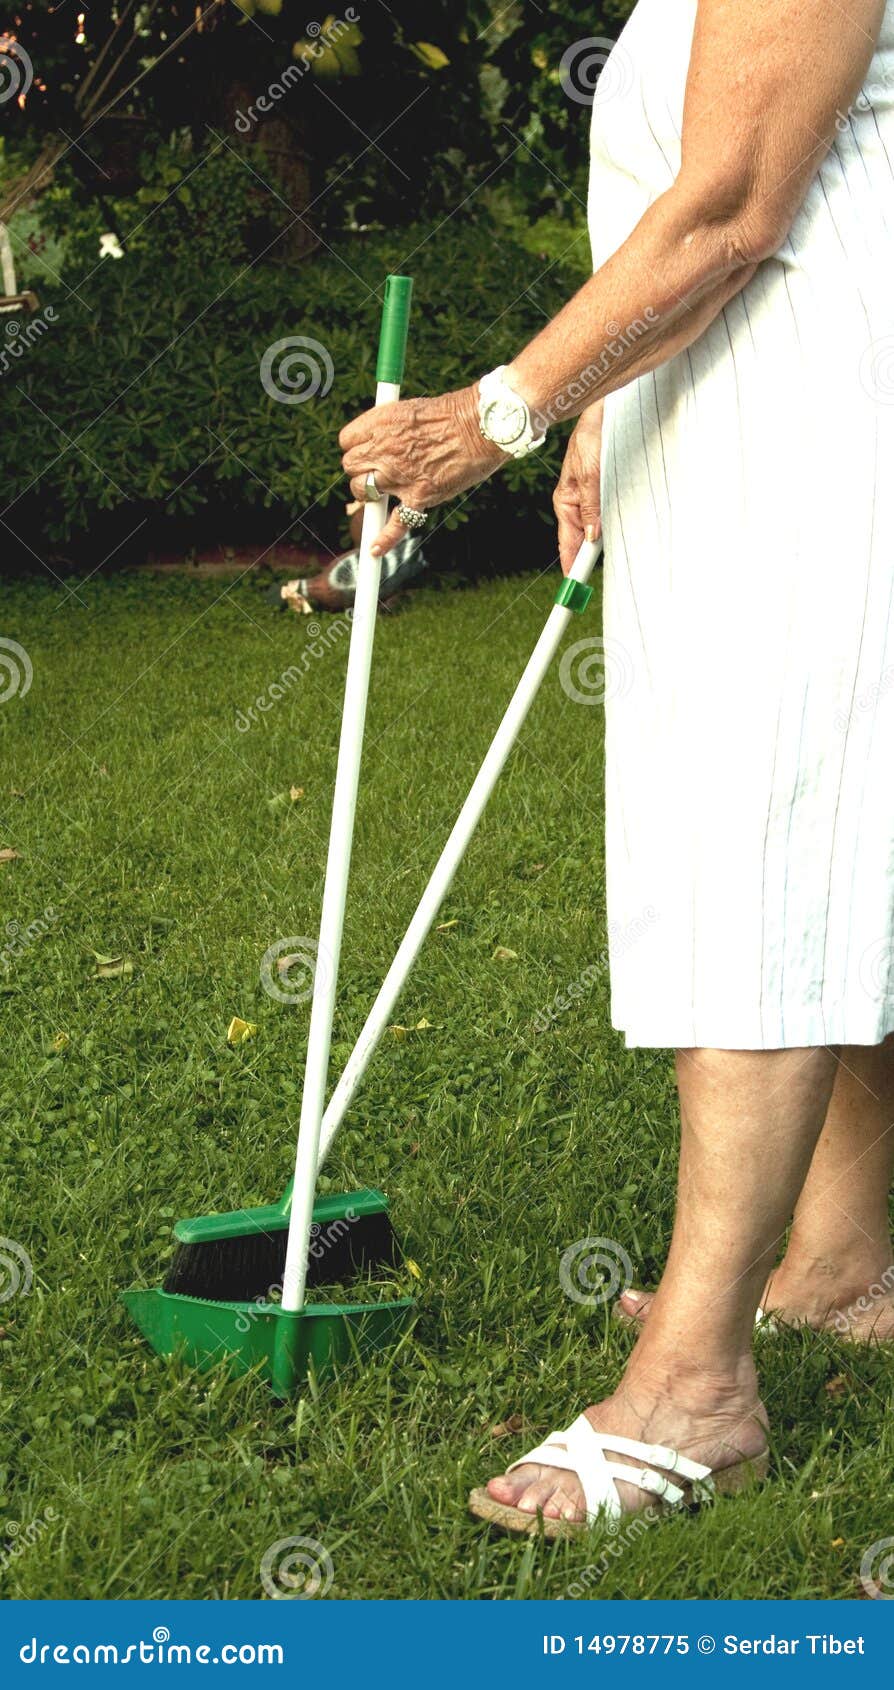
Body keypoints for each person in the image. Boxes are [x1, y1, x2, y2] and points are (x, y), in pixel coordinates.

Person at [339, 0, 894, 1531]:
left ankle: (696, 1387)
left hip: (812, 445)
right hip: (741, 417)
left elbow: (730, 207)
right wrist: (600, 403)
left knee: (759, 861)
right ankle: (838, 1260)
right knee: (826, 841)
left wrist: (496, 415)